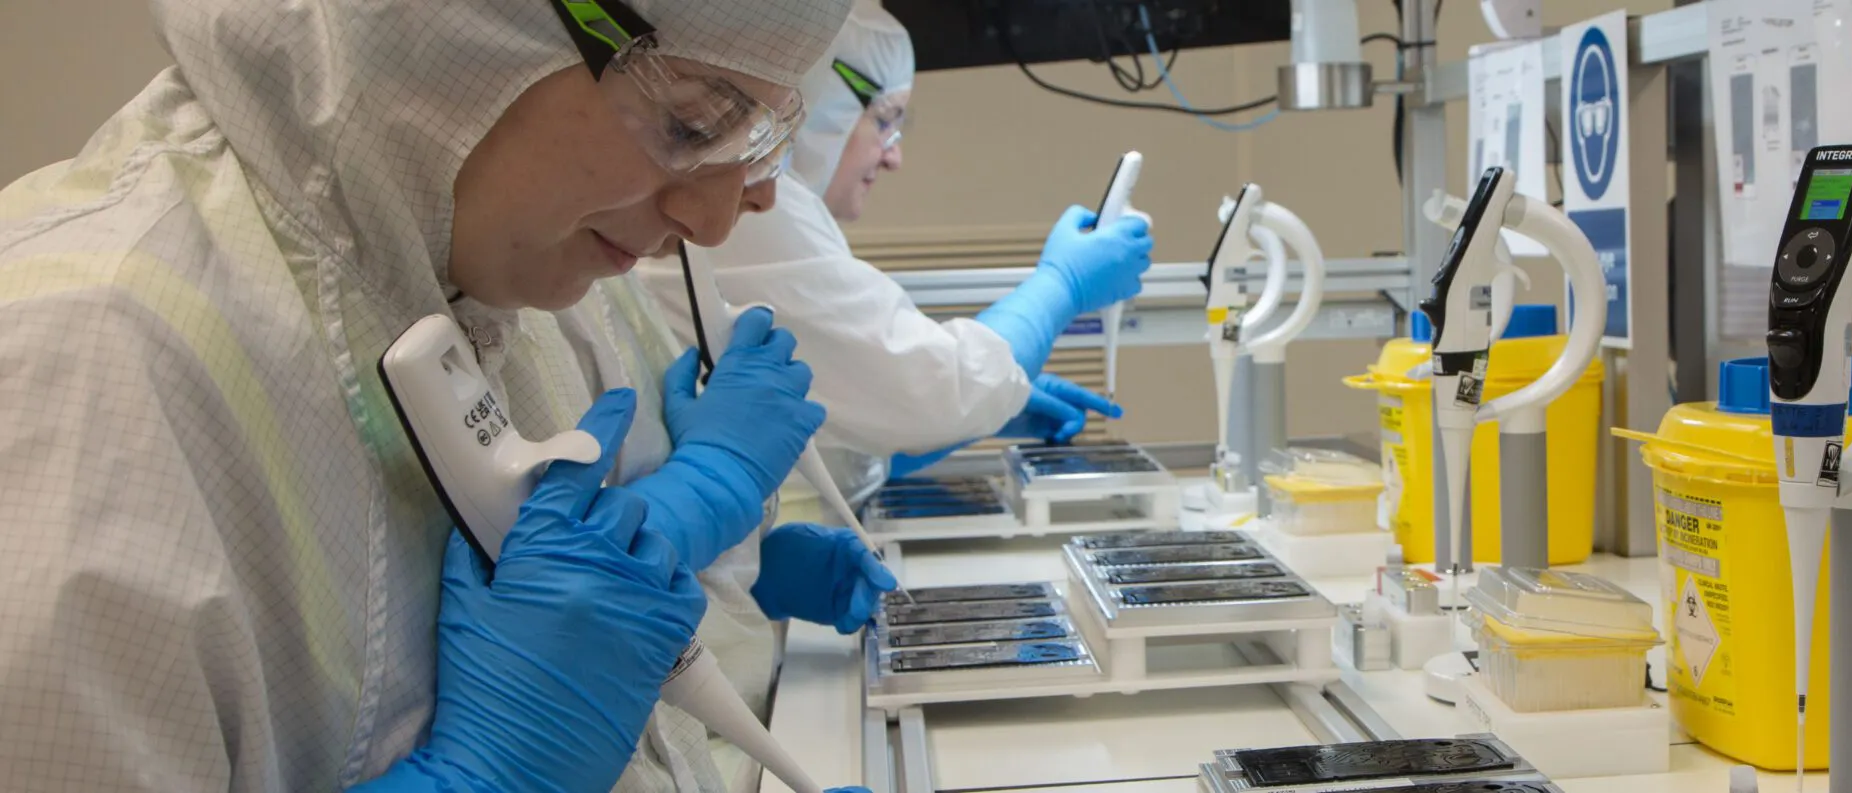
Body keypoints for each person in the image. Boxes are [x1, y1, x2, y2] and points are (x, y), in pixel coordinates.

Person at [0, 1, 888, 791]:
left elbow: (571, 627)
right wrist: (486, 776)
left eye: (754, 139)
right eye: (691, 126)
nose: (716, 220)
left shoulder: (497, 264)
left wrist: (726, 561)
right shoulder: (85, 365)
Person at [636, 0, 1155, 502]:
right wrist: (1063, 284)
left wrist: (964, 419)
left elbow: (825, 437)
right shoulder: (757, 215)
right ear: (826, 105)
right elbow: (937, 392)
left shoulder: (773, 207)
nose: (894, 157)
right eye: (885, 119)